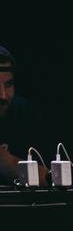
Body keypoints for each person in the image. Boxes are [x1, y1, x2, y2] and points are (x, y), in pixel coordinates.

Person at [0, 46, 48, 186]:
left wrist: (8, 162)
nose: (3, 95)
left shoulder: (23, 113)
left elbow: (52, 178)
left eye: (8, 84)